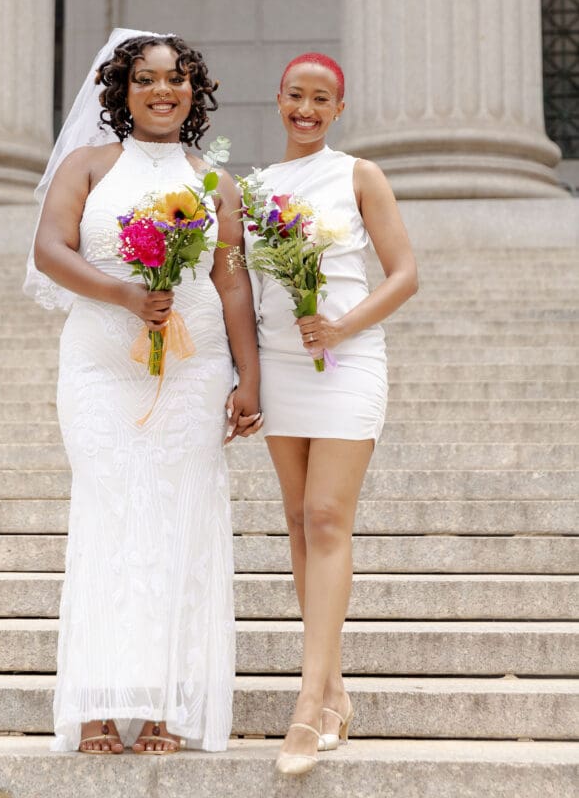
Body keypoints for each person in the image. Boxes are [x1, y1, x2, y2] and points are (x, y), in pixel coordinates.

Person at [24, 28, 263, 756]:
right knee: (110, 513)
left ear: (195, 92)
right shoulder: (88, 165)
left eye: (177, 79)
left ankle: (164, 705)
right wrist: (123, 295)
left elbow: (228, 279)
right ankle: (97, 703)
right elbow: (49, 250)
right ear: (121, 91)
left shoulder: (215, 182)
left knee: (179, 522)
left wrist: (247, 374)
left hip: (191, 364)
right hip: (101, 361)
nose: (162, 90)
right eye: (146, 79)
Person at [247, 52, 418, 776]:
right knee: (294, 519)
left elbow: (405, 274)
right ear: (278, 99)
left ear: (337, 109)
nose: (306, 109)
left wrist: (342, 327)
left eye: (321, 99)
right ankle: (334, 690)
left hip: (345, 363)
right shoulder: (252, 189)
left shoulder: (358, 175)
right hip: (282, 366)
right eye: (295, 96)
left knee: (324, 516)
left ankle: (306, 705)